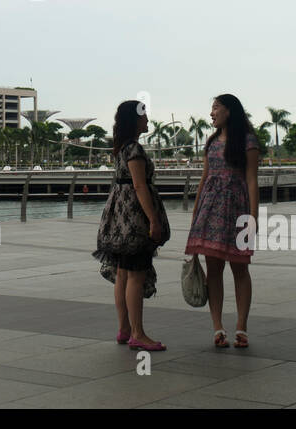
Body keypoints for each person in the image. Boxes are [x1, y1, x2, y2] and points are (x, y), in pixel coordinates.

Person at [93, 100, 169, 353]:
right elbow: (139, 186)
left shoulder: (122, 147)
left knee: (123, 273)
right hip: (133, 219)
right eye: (144, 115)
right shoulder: (134, 149)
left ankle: (124, 328)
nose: (147, 119)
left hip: (118, 217)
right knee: (135, 273)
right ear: (134, 120)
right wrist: (154, 220)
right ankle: (138, 332)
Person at [186, 94, 260, 350]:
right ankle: (217, 327)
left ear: (229, 111)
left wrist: (253, 216)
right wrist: (196, 214)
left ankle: (242, 327)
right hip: (210, 211)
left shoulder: (247, 141)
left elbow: (251, 179)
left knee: (240, 268)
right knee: (214, 270)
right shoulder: (212, 142)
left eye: (215, 108)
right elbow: (205, 180)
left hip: (237, 209)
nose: (211, 113)